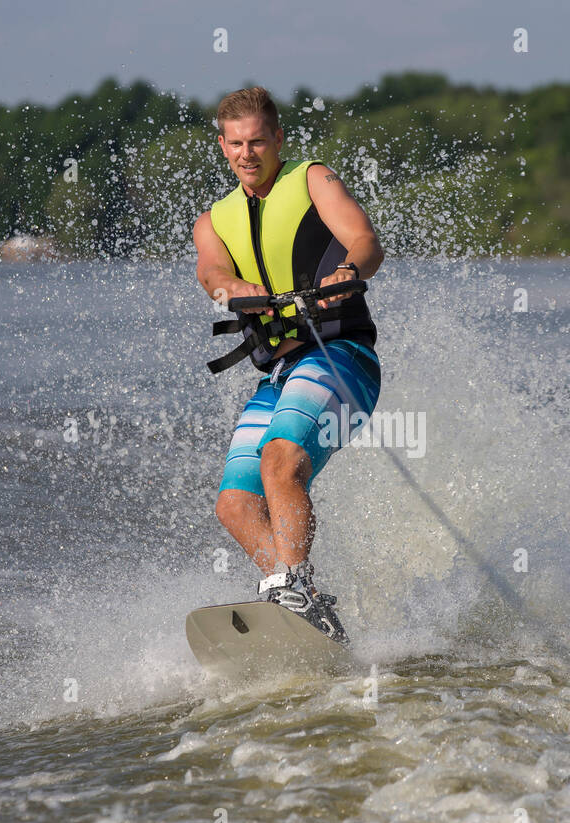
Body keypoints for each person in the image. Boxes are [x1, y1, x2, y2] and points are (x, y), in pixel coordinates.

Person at [193, 87, 384, 643]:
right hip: (279, 374)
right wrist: (230, 287)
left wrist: (348, 272)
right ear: (223, 145)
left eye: (257, 141)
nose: (247, 153)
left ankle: (294, 585)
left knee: (281, 461)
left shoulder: (313, 180)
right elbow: (211, 272)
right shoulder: (214, 221)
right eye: (236, 144)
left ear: (277, 138)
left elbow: (365, 241)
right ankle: (301, 599)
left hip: (341, 357)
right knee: (233, 504)